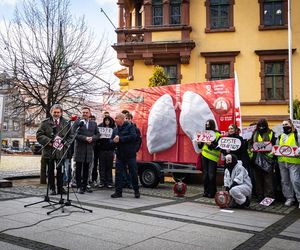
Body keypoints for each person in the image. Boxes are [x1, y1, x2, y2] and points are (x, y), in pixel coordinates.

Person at [36, 104, 73, 195]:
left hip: (61, 151)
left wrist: (65, 143)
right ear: (51, 112)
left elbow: (71, 136)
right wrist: (48, 141)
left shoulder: (66, 123)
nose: (56, 114)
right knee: (50, 170)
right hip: (49, 151)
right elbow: (39, 135)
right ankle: (52, 188)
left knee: (60, 170)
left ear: (61, 113)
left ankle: (60, 188)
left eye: (58, 112)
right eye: (54, 112)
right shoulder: (45, 123)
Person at [110, 113, 140, 198]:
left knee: (133, 173)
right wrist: (113, 141)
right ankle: (118, 192)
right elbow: (111, 141)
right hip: (120, 155)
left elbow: (133, 137)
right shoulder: (115, 130)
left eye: (116, 118)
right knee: (118, 174)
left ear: (122, 119)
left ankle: (136, 191)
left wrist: (120, 139)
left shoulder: (130, 127)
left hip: (130, 155)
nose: (115, 119)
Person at [73, 107, 99, 194]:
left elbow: (98, 134)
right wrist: (85, 138)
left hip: (89, 149)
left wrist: (92, 138)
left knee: (87, 169)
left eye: (86, 112)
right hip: (80, 148)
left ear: (89, 113)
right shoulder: (77, 122)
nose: (84, 114)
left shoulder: (94, 123)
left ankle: (84, 186)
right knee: (78, 168)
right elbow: (74, 134)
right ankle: (78, 186)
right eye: (83, 112)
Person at [250, 118, 276, 202]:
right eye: (260, 125)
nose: (261, 127)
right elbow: (250, 144)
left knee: (268, 180)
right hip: (256, 159)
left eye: (263, 125)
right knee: (258, 179)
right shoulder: (254, 133)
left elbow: (274, 145)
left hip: (267, 159)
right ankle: (260, 196)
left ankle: (269, 197)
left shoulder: (271, 133)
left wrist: (271, 156)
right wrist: (251, 150)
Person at [277, 119, 300, 208]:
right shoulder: (280, 136)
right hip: (282, 162)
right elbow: (277, 147)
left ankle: (299, 199)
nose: (284, 126)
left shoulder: (297, 135)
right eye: (283, 124)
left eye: (286, 124)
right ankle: (289, 198)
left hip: (294, 162)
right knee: (285, 181)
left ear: (291, 125)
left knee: (295, 181)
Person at [198, 119, 221, 198]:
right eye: (206, 125)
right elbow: (200, 147)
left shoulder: (217, 134)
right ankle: (206, 191)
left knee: (211, 176)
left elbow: (218, 147)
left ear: (212, 125)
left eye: (209, 125)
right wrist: (199, 143)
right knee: (205, 176)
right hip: (204, 156)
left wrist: (210, 144)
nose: (207, 126)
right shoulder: (204, 133)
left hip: (213, 157)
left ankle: (212, 192)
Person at [97, 115, 115, 188]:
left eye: (108, 120)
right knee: (101, 166)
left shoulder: (113, 129)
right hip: (102, 150)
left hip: (110, 150)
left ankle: (109, 182)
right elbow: (98, 139)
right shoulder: (101, 128)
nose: (107, 122)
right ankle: (102, 181)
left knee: (109, 166)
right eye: (105, 120)